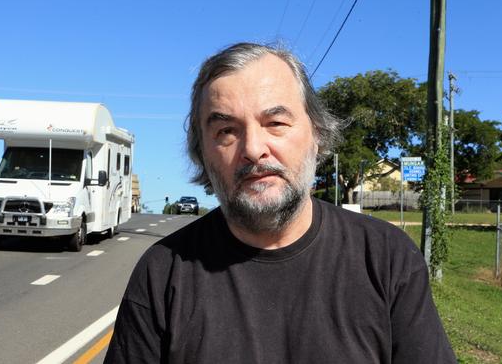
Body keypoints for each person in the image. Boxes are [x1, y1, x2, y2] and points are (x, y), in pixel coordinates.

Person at [104, 42, 456, 363]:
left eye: (275, 122)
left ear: (316, 134)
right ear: (202, 155)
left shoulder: (385, 257)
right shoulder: (163, 273)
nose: (254, 149)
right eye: (226, 131)